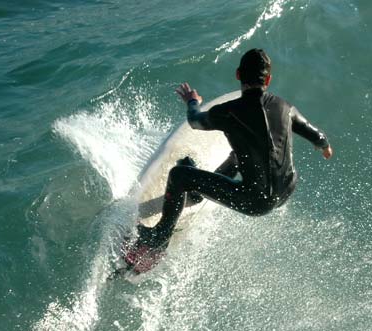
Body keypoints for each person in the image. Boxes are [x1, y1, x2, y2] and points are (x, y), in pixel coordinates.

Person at [126, 48, 333, 265]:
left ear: (237, 75)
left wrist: (192, 101)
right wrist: (325, 148)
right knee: (241, 153)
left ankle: (159, 237)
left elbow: (195, 121)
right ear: (269, 79)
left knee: (179, 175)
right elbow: (317, 136)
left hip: (255, 202)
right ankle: (198, 193)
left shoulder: (229, 111)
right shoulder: (285, 108)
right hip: (286, 190)